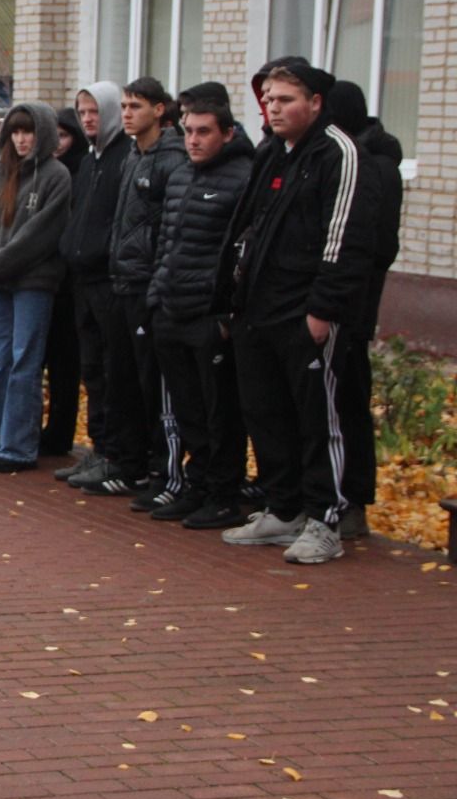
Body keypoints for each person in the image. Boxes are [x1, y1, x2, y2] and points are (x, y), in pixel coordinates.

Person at [222, 58, 376, 565]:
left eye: (284, 99)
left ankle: (325, 518)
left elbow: (344, 240)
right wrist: (230, 298)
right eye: (267, 99)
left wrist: (323, 309)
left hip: (305, 312)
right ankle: (282, 507)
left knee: (318, 418)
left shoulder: (338, 153)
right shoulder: (273, 153)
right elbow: (247, 226)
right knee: (266, 412)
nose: (272, 107)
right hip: (258, 311)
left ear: (314, 102)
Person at [147, 88, 253, 529]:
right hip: (171, 310)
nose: (193, 140)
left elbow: (243, 253)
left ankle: (225, 493)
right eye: (188, 131)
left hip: (209, 318)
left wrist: (226, 314)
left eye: (204, 132)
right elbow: (167, 242)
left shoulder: (244, 177)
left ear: (227, 133)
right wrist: (155, 296)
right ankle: (198, 483)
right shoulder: (181, 176)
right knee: (188, 409)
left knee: (219, 411)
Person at [0, 103, 71, 472]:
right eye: (17, 132)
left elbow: (40, 233)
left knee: (25, 360)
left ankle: (19, 447)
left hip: (32, 283)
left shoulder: (57, 175)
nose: (23, 140)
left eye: (30, 132)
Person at [99, 76, 189, 506]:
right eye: (125, 105)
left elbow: (169, 230)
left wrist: (155, 283)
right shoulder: (131, 157)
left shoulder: (171, 159)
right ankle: (127, 462)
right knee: (122, 378)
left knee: (153, 384)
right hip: (122, 280)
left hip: (147, 285)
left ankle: (162, 469)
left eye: (136, 105)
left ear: (159, 110)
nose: (128, 113)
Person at [324, 81, 402, 539]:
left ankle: (355, 499)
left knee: (349, 400)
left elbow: (375, 248)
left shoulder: (376, 167)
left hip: (352, 308)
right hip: (336, 299)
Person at [56, 82, 131, 487]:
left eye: (94, 112)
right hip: (81, 279)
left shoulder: (123, 159)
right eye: (82, 112)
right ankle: (98, 448)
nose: (87, 119)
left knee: (111, 369)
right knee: (92, 371)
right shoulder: (90, 161)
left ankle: (117, 454)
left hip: (107, 280)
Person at [38, 105, 87, 460]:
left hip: (71, 283)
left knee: (65, 366)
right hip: (44, 279)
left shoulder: (81, 170)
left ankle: (61, 432)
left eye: (65, 136)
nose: (58, 144)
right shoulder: (42, 171)